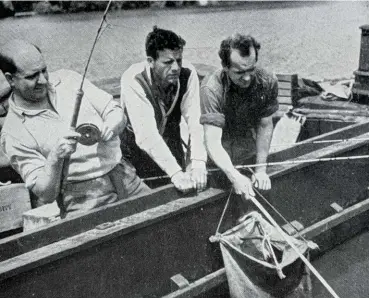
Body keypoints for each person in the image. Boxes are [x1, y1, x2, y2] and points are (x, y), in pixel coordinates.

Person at [0, 40, 150, 213]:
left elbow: (114, 111)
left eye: (44, 70)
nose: (43, 80)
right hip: (83, 200)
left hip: (126, 177)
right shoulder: (13, 133)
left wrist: (111, 127)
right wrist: (55, 157)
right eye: (32, 76)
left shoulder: (69, 79)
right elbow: (45, 193)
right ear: (10, 79)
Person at [121, 26, 207, 192]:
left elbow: (196, 122)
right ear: (150, 61)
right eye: (167, 62)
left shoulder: (188, 73)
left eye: (179, 60)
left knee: (186, 190)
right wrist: (175, 173)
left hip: (170, 142)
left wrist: (197, 163)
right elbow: (146, 136)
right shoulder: (133, 79)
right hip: (135, 150)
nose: (175, 67)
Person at [200, 34, 279, 199]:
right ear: (225, 67)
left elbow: (265, 125)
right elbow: (212, 142)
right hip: (217, 158)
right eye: (239, 72)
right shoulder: (211, 88)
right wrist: (234, 175)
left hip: (246, 150)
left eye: (251, 69)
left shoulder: (267, 81)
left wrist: (261, 169)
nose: (247, 77)